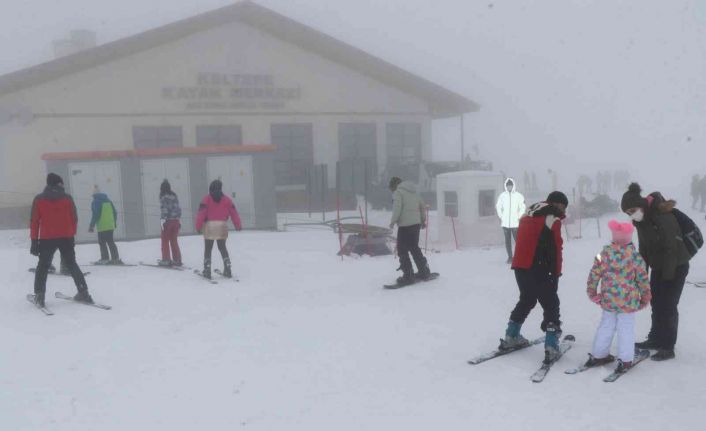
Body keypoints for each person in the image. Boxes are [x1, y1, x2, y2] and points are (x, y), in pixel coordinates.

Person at [621, 183, 690, 361]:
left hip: (676, 265)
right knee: (656, 302)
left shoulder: (662, 215)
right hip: (660, 267)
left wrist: (668, 276)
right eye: (628, 212)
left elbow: (671, 248)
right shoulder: (641, 222)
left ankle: (668, 345)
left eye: (633, 209)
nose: (632, 214)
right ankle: (655, 339)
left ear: (641, 205)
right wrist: (641, 275)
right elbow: (644, 249)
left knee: (668, 305)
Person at [499, 191, 568, 363]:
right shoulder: (552, 218)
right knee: (551, 303)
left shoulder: (529, 212)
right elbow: (557, 248)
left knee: (527, 299)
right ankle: (551, 345)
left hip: (520, 265)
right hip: (540, 267)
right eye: (564, 206)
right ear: (557, 204)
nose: (564, 210)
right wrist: (556, 272)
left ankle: (511, 335)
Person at [584, 220, 651, 373]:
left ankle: (599, 355)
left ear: (613, 237)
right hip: (628, 302)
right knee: (626, 328)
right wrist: (645, 297)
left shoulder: (603, 255)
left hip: (608, 300)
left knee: (606, 326)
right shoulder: (635, 257)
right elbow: (642, 278)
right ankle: (625, 360)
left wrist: (592, 292)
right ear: (629, 239)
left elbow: (594, 273)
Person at [30, 173, 93, 306]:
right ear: (58, 184)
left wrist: (34, 241)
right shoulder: (67, 198)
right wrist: (72, 234)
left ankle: (40, 296)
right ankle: (83, 292)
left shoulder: (39, 199)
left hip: (47, 238)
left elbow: (34, 221)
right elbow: (74, 218)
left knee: (43, 266)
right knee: (72, 264)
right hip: (66, 237)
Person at [195, 180, 242, 279]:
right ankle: (227, 266)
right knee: (222, 247)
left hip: (209, 225)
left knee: (208, 248)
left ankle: (207, 269)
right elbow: (234, 212)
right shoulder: (227, 200)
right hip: (222, 225)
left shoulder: (206, 199)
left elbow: (201, 214)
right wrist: (238, 225)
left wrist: (198, 226)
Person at [388, 176, 431, 286]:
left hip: (405, 225)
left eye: (391, 189)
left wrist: (393, 221)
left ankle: (408, 275)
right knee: (414, 247)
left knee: (402, 250)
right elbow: (422, 206)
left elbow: (397, 207)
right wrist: (422, 220)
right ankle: (424, 271)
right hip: (415, 225)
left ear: (394, 186)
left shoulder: (398, 192)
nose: (392, 191)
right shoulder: (413, 192)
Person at [495, 178, 526, 263]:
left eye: (510, 186)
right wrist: (501, 216)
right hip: (505, 224)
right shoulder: (502, 196)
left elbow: (523, 207)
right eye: (508, 186)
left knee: (518, 241)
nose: (509, 187)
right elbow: (498, 207)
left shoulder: (519, 196)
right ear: (506, 186)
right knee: (507, 242)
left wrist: (518, 216)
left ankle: (520, 257)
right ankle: (510, 257)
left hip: (515, 223)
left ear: (513, 186)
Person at [88, 186, 122, 264]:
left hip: (102, 226)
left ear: (94, 194)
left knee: (102, 242)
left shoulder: (96, 202)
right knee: (111, 242)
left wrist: (91, 225)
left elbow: (96, 214)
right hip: (110, 226)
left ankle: (105, 258)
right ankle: (115, 258)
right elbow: (115, 213)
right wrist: (114, 223)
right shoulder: (108, 201)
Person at [158, 180, 182, 267]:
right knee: (174, 241)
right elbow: (178, 210)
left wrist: (163, 220)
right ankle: (177, 259)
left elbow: (164, 210)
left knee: (164, 240)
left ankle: (166, 259)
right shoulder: (174, 196)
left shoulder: (164, 197)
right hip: (176, 221)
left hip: (168, 221)